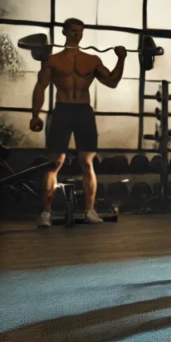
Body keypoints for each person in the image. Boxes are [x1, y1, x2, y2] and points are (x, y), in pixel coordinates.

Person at [29, 18, 126, 227]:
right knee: (54, 164)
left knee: (87, 163)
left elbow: (112, 82)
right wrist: (35, 114)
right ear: (65, 32)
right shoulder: (53, 61)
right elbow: (40, 87)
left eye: (80, 31)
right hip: (62, 110)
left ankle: (90, 211)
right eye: (73, 31)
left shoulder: (91, 60)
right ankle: (46, 213)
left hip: (83, 112)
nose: (77, 35)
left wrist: (122, 58)